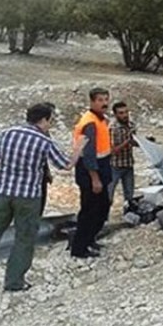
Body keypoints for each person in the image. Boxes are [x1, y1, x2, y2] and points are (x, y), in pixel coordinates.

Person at [0, 103, 85, 296]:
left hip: (2, 193)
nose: (50, 125)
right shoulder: (44, 141)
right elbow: (66, 165)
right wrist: (78, 149)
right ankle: (14, 281)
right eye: (50, 121)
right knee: (24, 238)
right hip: (28, 197)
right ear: (44, 119)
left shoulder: (7, 133)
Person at [71, 87, 112, 258]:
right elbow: (88, 154)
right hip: (90, 171)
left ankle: (89, 240)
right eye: (100, 100)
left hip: (101, 167)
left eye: (106, 99)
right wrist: (95, 179)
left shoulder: (100, 119)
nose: (104, 103)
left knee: (101, 208)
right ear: (92, 101)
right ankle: (79, 248)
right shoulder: (90, 123)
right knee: (89, 210)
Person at [109, 101, 138, 215]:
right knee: (109, 195)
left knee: (129, 195)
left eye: (126, 112)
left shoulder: (131, 125)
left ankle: (129, 216)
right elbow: (113, 150)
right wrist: (128, 141)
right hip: (114, 166)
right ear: (115, 115)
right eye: (121, 113)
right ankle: (103, 219)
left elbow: (133, 142)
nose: (125, 115)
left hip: (128, 164)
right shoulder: (113, 128)